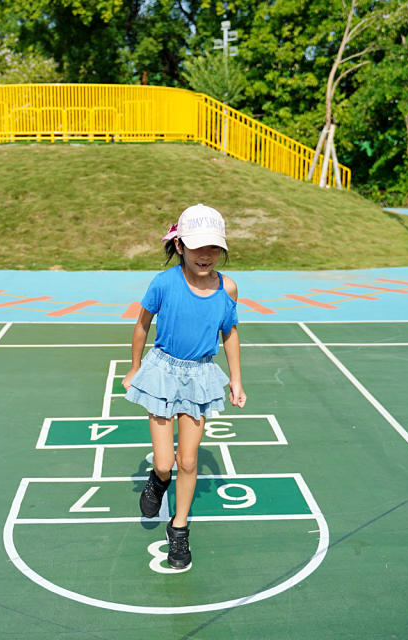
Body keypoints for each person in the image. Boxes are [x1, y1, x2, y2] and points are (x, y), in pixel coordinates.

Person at [121, 203, 246, 570]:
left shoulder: (229, 288)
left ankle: (178, 531)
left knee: (188, 460)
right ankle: (157, 482)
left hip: (201, 376)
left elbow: (230, 333)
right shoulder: (163, 283)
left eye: (213, 248)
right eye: (197, 247)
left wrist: (236, 379)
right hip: (162, 373)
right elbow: (142, 325)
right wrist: (135, 367)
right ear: (179, 247)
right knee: (164, 463)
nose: (205, 255)